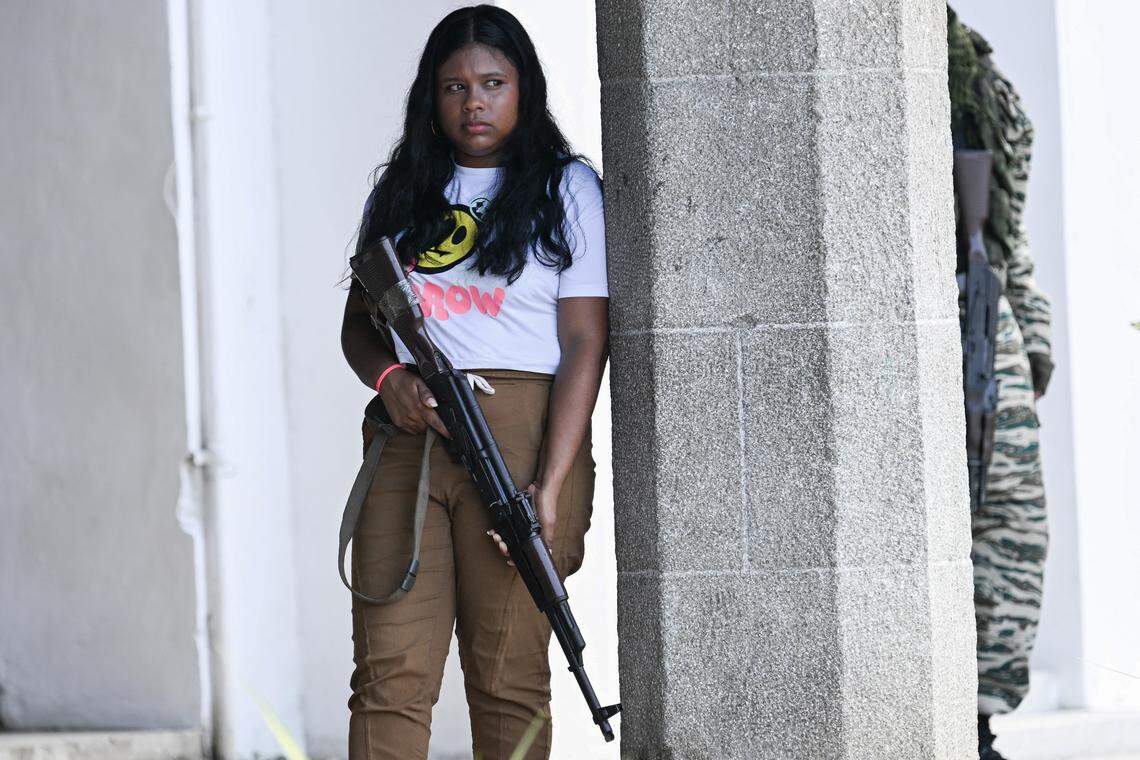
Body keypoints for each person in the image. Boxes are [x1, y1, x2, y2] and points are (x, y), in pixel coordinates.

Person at [338, 5, 608, 759]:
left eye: (493, 82)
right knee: (388, 675)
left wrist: (551, 482)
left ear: (524, 89)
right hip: (410, 440)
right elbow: (359, 325)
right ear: (432, 95)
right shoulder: (399, 195)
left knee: (509, 678)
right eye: (455, 86)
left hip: (525, 440)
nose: (475, 101)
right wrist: (391, 376)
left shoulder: (568, 190)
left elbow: (587, 340)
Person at [948, 8, 1054, 759]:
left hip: (990, 319)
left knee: (1013, 523)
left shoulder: (982, 87)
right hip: (922, 321)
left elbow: (1009, 237)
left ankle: (981, 719)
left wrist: (1033, 336)